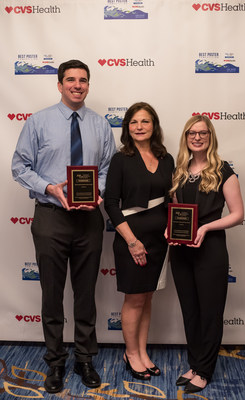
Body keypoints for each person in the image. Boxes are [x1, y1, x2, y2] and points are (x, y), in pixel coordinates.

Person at [11, 59, 116, 394]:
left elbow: (107, 169)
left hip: (88, 220)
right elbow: (19, 166)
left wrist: (97, 192)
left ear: (88, 85)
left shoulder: (100, 125)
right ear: (59, 85)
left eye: (83, 80)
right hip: (51, 217)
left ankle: (85, 358)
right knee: (52, 295)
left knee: (86, 295)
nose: (77, 85)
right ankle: (55, 362)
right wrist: (49, 187)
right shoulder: (38, 122)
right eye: (70, 80)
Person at [167, 115, 244, 394]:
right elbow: (177, 212)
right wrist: (170, 229)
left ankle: (204, 371)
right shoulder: (180, 170)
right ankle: (195, 363)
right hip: (181, 252)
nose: (197, 137)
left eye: (203, 133)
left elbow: (237, 214)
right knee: (191, 312)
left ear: (210, 137)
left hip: (210, 250)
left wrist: (207, 227)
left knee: (210, 313)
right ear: (185, 137)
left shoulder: (223, 171)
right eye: (191, 133)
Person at [104, 102, 174, 380]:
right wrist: (132, 241)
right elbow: (110, 204)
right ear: (127, 128)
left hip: (160, 240)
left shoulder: (166, 158)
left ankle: (142, 351)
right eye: (134, 122)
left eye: (145, 121)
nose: (140, 127)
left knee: (147, 297)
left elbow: (172, 199)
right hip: (131, 239)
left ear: (154, 126)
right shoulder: (121, 160)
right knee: (134, 299)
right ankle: (131, 353)